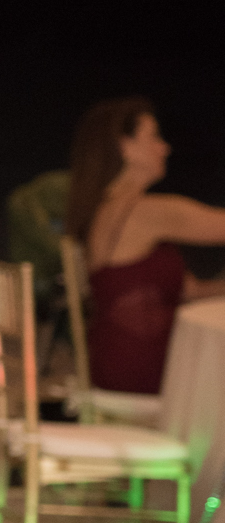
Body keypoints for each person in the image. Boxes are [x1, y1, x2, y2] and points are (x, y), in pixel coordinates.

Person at [67, 98, 225, 394]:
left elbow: (190, 291)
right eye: (153, 136)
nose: (165, 147)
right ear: (124, 147)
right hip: (140, 373)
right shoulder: (143, 213)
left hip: (114, 361)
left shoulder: (103, 208)